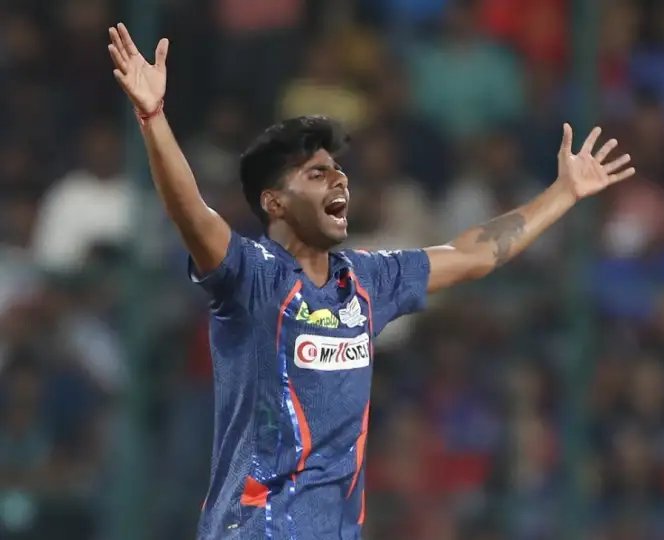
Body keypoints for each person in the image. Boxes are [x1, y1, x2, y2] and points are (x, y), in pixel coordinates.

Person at [107, 23, 635, 540]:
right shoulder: (253, 277)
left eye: (338, 171)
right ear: (275, 202)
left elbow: (472, 254)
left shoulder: (366, 280)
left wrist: (563, 193)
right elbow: (191, 212)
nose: (339, 179)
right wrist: (152, 116)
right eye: (317, 174)